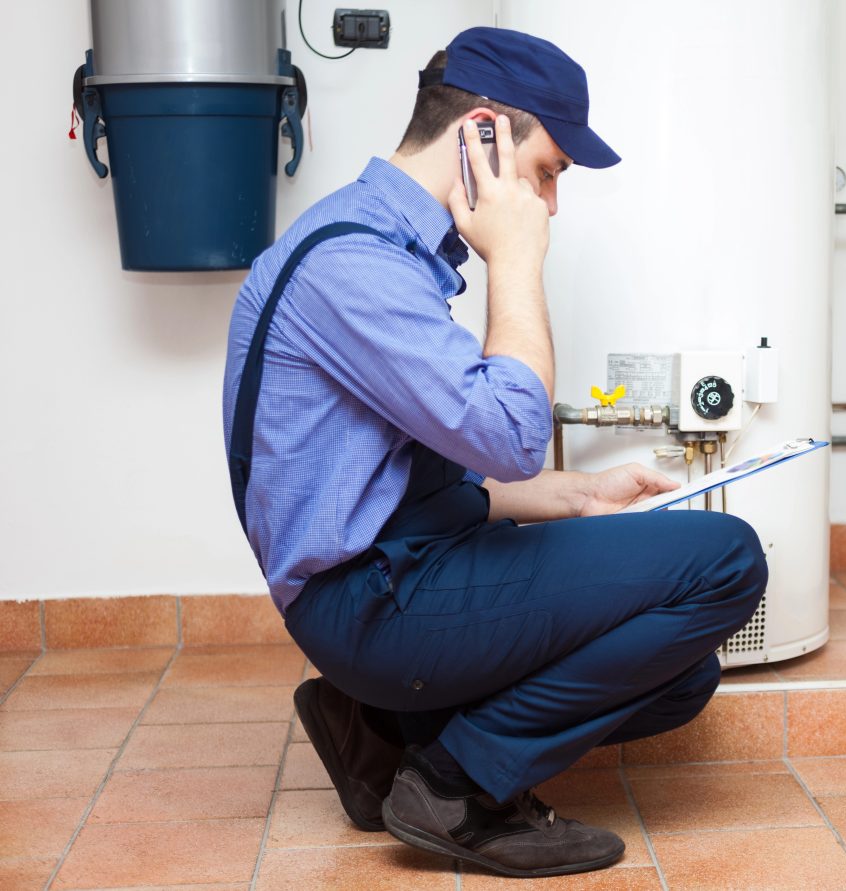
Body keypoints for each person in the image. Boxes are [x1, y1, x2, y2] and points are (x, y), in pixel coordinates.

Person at [223, 26, 767, 879]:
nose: (550, 202)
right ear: (481, 134)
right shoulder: (355, 267)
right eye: (548, 171)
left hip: (389, 578)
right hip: (369, 606)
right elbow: (510, 439)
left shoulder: (371, 244)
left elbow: (398, 481)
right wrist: (517, 260)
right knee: (729, 561)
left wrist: (578, 494)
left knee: (682, 676)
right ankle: (452, 784)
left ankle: (382, 734)